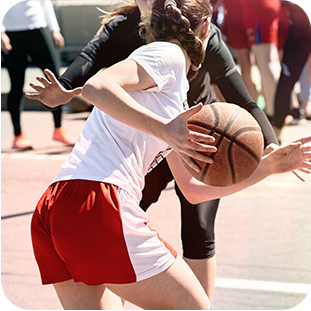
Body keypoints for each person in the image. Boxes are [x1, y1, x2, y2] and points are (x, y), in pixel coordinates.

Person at [29, 0, 311, 308]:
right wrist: (163, 129)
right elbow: (97, 86)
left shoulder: (173, 102)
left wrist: (268, 167)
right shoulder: (169, 54)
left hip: (56, 207)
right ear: (207, 28)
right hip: (98, 202)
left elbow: (194, 191)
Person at [1, 0, 76, 150]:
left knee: (55, 80)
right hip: (12, 32)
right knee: (16, 83)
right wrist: (1, 32)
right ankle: (18, 134)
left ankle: (58, 129)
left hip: (39, 29)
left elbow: (45, 2)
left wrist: (54, 29)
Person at [221, 0, 282, 123]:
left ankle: (274, 116)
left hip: (255, 7)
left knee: (266, 60)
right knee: (252, 62)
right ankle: (258, 113)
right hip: (238, 10)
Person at [273, 0, 311, 141]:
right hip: (296, 23)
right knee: (285, 83)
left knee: (285, 84)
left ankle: (275, 136)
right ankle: (275, 138)